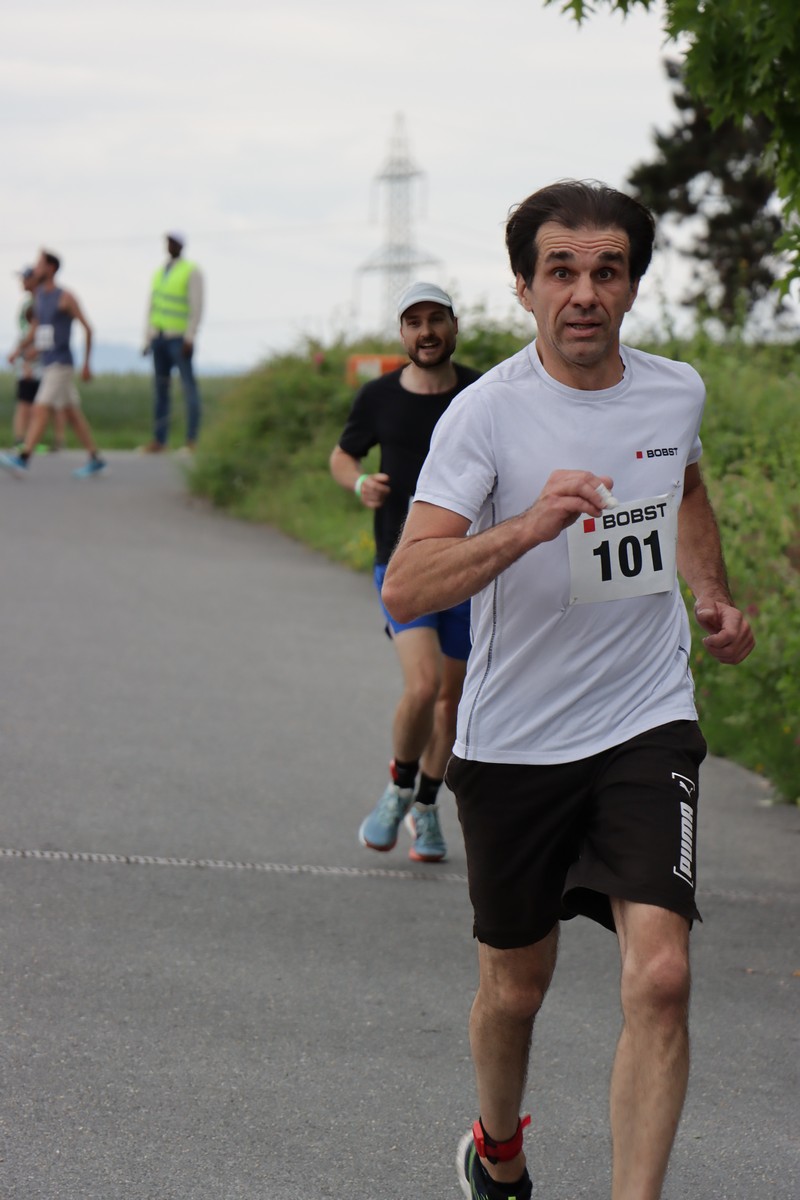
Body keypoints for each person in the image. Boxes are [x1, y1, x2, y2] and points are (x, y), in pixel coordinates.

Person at [382, 181, 755, 1200]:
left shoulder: (674, 392)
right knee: (516, 988)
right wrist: (526, 528)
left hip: (644, 717)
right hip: (514, 739)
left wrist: (711, 594)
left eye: (606, 271)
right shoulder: (485, 414)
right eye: (561, 271)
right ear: (524, 287)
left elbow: (682, 485)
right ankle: (497, 1144)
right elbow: (407, 583)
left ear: (631, 286)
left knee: (662, 977)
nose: (584, 292)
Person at [330, 282, 481, 863]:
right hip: (401, 565)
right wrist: (359, 484)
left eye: (436, 319)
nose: (426, 332)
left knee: (450, 701)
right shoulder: (378, 397)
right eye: (414, 322)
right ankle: (398, 790)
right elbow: (343, 455)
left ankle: (427, 804)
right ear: (402, 333)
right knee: (422, 686)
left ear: (453, 325)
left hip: (467, 566)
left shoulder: (481, 394)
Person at [2, 251, 105, 479]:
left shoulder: (65, 297)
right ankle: (95, 459)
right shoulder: (40, 298)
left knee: (40, 408)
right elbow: (38, 331)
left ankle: (23, 458)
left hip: (61, 363)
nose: (35, 268)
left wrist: (87, 364)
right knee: (72, 414)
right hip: (49, 362)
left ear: (51, 268)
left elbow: (88, 329)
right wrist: (20, 351)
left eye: (39, 264)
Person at [141, 231, 204, 453]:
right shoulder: (160, 272)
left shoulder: (191, 271)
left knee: (188, 388)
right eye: (167, 242)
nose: (169, 246)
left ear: (181, 246)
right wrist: (147, 338)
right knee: (161, 389)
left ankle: (191, 440)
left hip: (179, 338)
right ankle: (160, 440)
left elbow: (197, 306)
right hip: (159, 337)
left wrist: (190, 336)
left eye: (173, 242)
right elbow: (152, 306)